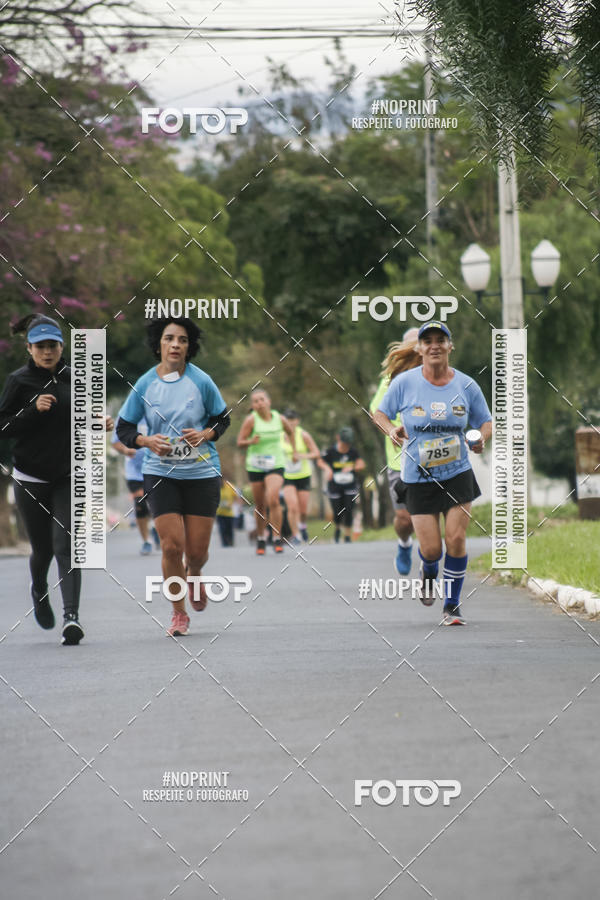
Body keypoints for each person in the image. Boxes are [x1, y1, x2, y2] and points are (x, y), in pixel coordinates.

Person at [0, 314, 113, 645]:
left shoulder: (75, 378)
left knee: (67, 545)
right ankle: (38, 589)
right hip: (30, 477)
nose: (47, 352)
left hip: (67, 476)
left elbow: (80, 418)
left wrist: (99, 422)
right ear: (29, 348)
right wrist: (32, 410)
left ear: (62, 347)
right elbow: (3, 426)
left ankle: (71, 618)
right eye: (40, 347)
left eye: (53, 346)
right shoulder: (19, 381)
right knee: (43, 550)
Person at [116, 316, 230, 637]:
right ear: (159, 345)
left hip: (202, 473)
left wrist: (206, 434)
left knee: (196, 552)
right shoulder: (144, 384)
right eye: (169, 339)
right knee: (170, 546)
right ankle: (179, 613)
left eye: (182, 340)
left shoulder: (202, 381)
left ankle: (194, 572)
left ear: (189, 346)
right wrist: (146, 441)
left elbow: (222, 419)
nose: (176, 344)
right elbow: (124, 428)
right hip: (159, 472)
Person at [373, 321, 492, 625]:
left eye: (441, 340)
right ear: (420, 348)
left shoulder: (466, 385)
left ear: (450, 346)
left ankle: (451, 605)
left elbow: (486, 422)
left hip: (457, 472)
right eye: (428, 341)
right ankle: (428, 572)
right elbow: (380, 413)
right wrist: (391, 430)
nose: (435, 345)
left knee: (455, 538)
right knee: (431, 549)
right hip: (418, 476)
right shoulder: (404, 383)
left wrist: (479, 439)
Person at [369, 328, 421, 575]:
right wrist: (391, 431)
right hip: (400, 462)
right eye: (411, 347)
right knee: (405, 520)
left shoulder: (437, 377)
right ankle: (404, 543)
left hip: (433, 461)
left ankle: (430, 558)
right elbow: (377, 414)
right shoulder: (390, 380)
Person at [237, 389, 297, 555]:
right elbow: (240, 442)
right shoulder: (251, 420)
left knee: (273, 498)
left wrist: (295, 451)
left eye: (262, 399)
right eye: (255, 401)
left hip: (275, 463)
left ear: (268, 402)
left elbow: (290, 432)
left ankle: (277, 537)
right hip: (255, 465)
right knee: (260, 505)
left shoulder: (279, 418)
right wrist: (251, 441)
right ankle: (261, 537)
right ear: (252, 405)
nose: (259, 403)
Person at [112, 418, 160, 555]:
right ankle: (146, 541)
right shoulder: (128, 416)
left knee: (158, 504)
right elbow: (115, 443)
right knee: (140, 505)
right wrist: (126, 451)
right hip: (134, 473)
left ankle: (156, 528)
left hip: (156, 469)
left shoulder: (157, 412)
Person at [319, 427, 365, 543]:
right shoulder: (330, 452)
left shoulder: (353, 452)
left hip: (350, 485)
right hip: (334, 485)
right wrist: (327, 469)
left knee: (349, 509)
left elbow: (361, 464)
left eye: (348, 443)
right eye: (344, 443)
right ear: (338, 438)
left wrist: (352, 467)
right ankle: (338, 528)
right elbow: (320, 461)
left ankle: (347, 535)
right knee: (337, 510)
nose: (346, 446)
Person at [281, 408, 320, 544]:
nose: (290, 423)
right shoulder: (278, 436)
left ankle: (302, 526)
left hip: (303, 475)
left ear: (297, 421)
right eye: (287, 420)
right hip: (286, 476)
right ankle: (296, 535)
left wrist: (301, 456)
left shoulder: (303, 435)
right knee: (292, 507)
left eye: (292, 420)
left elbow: (316, 453)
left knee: (303, 510)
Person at [216, 474, 238, 547]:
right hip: (219, 513)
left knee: (229, 528)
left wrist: (231, 504)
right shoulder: (216, 487)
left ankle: (231, 542)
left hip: (229, 513)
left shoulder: (229, 486)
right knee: (222, 528)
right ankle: (224, 543)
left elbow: (236, 497)